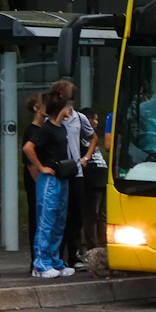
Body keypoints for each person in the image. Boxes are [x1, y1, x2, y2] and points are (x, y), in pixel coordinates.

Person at [23, 90, 76, 278]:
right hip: (50, 178)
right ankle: (40, 263)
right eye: (67, 106)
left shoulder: (61, 128)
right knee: (46, 220)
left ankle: (54, 260)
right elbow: (28, 147)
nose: (70, 110)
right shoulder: (46, 129)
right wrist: (41, 167)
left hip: (62, 177)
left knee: (58, 221)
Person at [50, 81, 96, 269]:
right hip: (60, 171)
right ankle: (58, 255)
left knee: (76, 215)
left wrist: (86, 157)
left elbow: (93, 137)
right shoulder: (52, 120)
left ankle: (74, 254)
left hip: (76, 171)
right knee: (60, 215)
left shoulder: (79, 118)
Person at [20, 93, 46, 269]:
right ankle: (35, 258)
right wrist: (40, 183)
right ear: (36, 108)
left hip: (41, 180)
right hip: (36, 182)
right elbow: (30, 163)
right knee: (36, 219)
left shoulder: (43, 130)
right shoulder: (31, 131)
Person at [80, 107, 109, 250]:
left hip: (101, 175)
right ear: (88, 120)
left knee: (101, 214)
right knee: (92, 214)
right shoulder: (81, 136)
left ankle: (103, 244)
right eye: (95, 119)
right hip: (92, 176)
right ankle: (93, 246)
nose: (97, 122)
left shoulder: (91, 137)